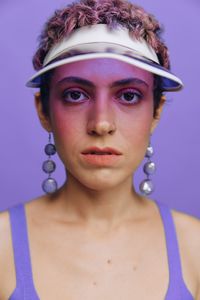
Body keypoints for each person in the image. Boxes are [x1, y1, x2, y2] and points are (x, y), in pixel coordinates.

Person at [0, 0, 200, 299]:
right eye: (75, 95)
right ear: (44, 110)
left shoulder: (194, 247)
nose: (102, 123)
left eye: (129, 96)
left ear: (156, 111)